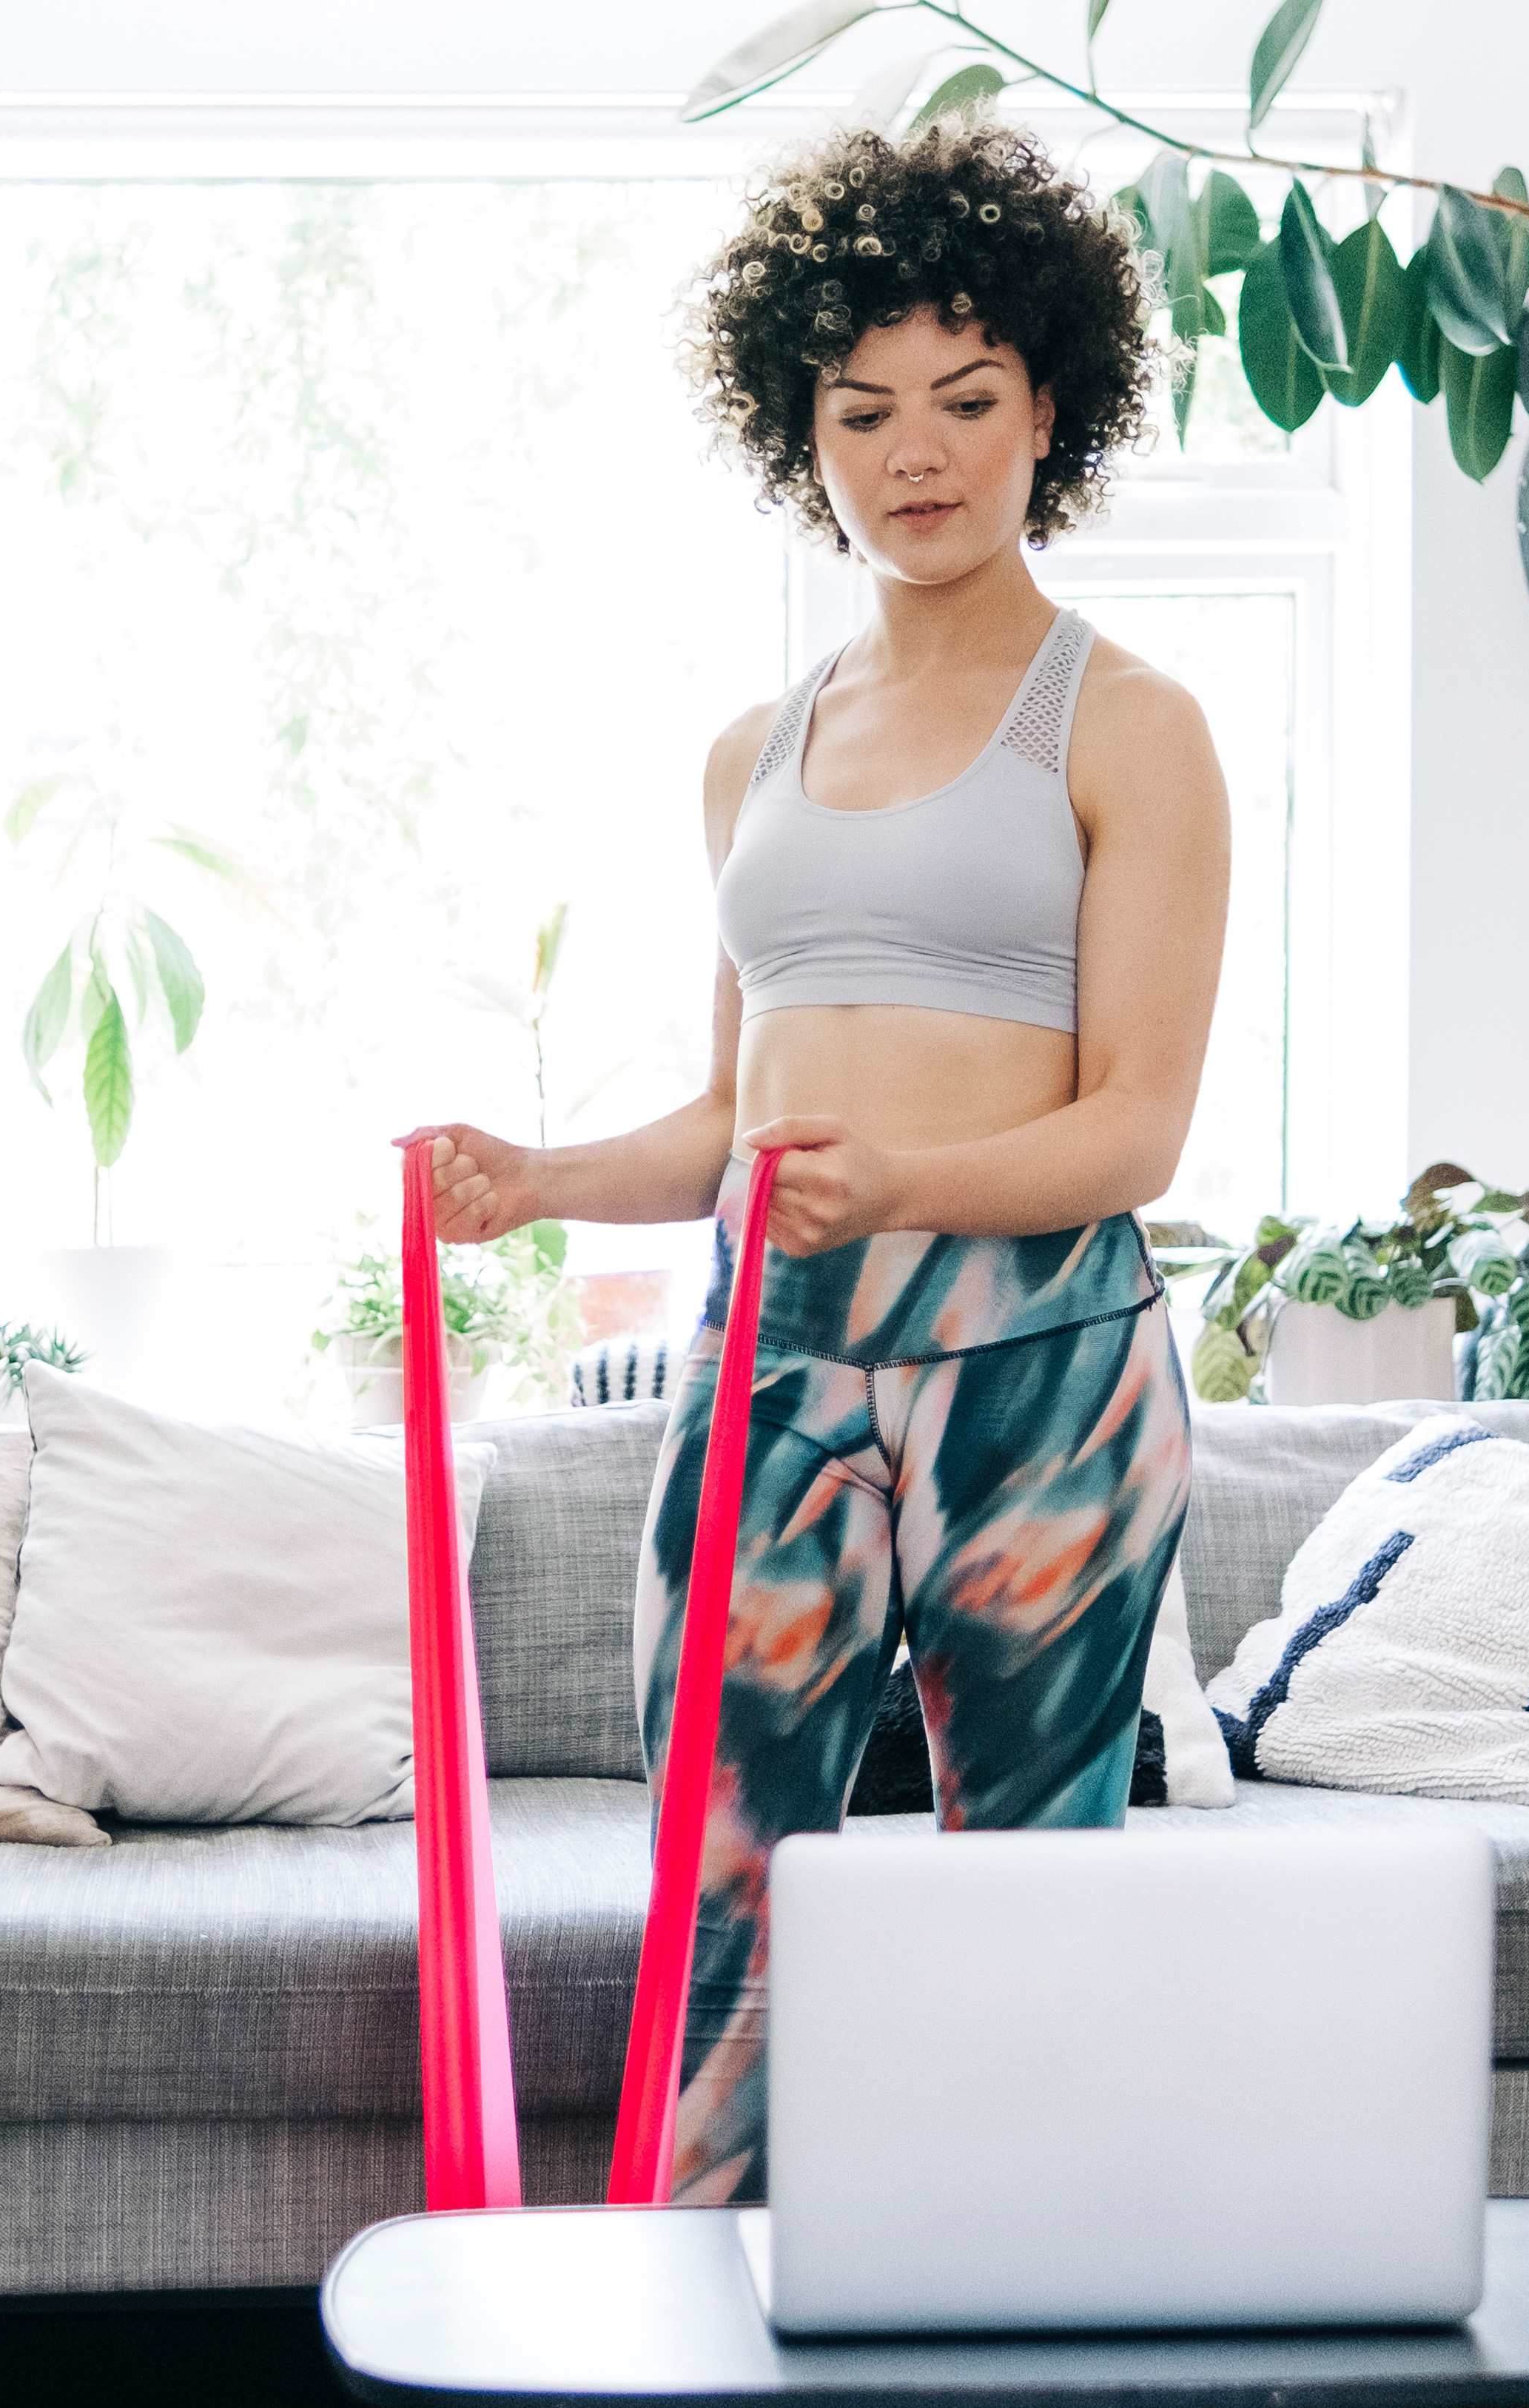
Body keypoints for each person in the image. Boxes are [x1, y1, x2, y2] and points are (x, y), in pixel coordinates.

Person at [419, 114, 1231, 2204]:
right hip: (774, 1357)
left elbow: (1141, 1119)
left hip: (1043, 1369)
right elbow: (729, 1126)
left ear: (1051, 404)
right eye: (860, 410)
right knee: (724, 1872)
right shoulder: (749, 756)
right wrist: (534, 1174)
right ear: (805, 434)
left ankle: (1007, 2301)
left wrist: (900, 1193)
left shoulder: (1132, 726)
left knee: (1023, 1893)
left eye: (965, 399)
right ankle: (700, 2292)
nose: (915, 451)